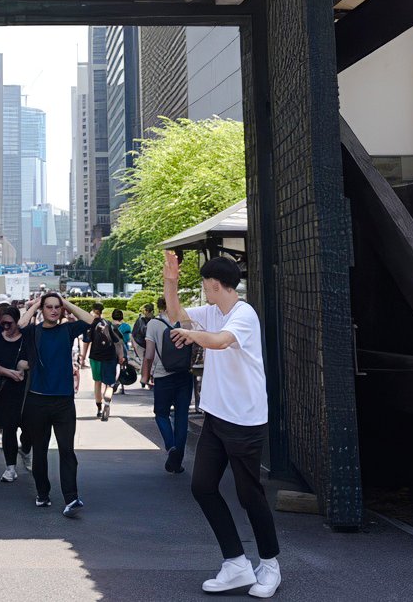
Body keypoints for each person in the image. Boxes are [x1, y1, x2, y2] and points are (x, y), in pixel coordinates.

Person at [163, 251, 280, 597]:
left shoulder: (244, 314)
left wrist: (192, 335)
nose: (204, 291)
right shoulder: (214, 311)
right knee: (202, 487)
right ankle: (236, 564)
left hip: (244, 419)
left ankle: (270, 564)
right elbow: (175, 315)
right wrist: (171, 280)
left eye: (205, 286)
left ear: (216, 285)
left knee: (249, 495)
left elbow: (220, 340)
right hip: (216, 416)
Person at [17, 291, 95, 517]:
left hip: (63, 401)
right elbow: (22, 324)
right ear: (42, 309)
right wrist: (36, 304)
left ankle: (71, 498)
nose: (53, 310)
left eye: (56, 307)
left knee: (67, 451)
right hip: (37, 400)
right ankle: (42, 493)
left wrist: (67, 302)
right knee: (40, 451)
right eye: (48, 307)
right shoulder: (34, 332)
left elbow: (91, 320)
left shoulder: (67, 330)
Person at [143, 295, 193, 474]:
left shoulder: (153, 324)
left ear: (158, 307)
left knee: (161, 414)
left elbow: (149, 355)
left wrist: (146, 375)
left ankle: (171, 447)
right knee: (181, 417)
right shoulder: (186, 321)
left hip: (163, 376)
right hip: (184, 375)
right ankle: (177, 461)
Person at [0, 306, 27, 483]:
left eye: (8, 323)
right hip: (5, 390)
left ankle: (25, 450)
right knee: (9, 430)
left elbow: (33, 359)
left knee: (29, 429)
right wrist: (11, 373)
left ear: (17, 322)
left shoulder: (26, 339)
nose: (5, 326)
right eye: (2, 323)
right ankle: (10, 467)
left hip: (25, 391)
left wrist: (24, 366)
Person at [79, 302, 126, 421]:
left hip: (95, 357)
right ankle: (107, 403)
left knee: (97, 382)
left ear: (93, 311)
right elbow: (118, 342)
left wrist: (83, 357)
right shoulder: (108, 324)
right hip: (110, 357)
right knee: (109, 384)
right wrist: (121, 356)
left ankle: (99, 409)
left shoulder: (89, 325)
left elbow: (86, 342)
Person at [111, 309, 133, 395]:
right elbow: (127, 339)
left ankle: (112, 383)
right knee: (122, 367)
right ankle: (120, 384)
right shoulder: (126, 327)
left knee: (112, 367)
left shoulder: (110, 326)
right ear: (122, 317)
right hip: (123, 350)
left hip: (112, 350)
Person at [132, 303, 154, 388]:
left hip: (147, 342)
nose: (146, 313)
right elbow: (137, 332)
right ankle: (144, 379)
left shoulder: (154, 320)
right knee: (144, 361)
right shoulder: (140, 319)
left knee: (148, 361)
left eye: (148, 311)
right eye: (146, 311)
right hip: (140, 343)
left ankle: (146, 379)